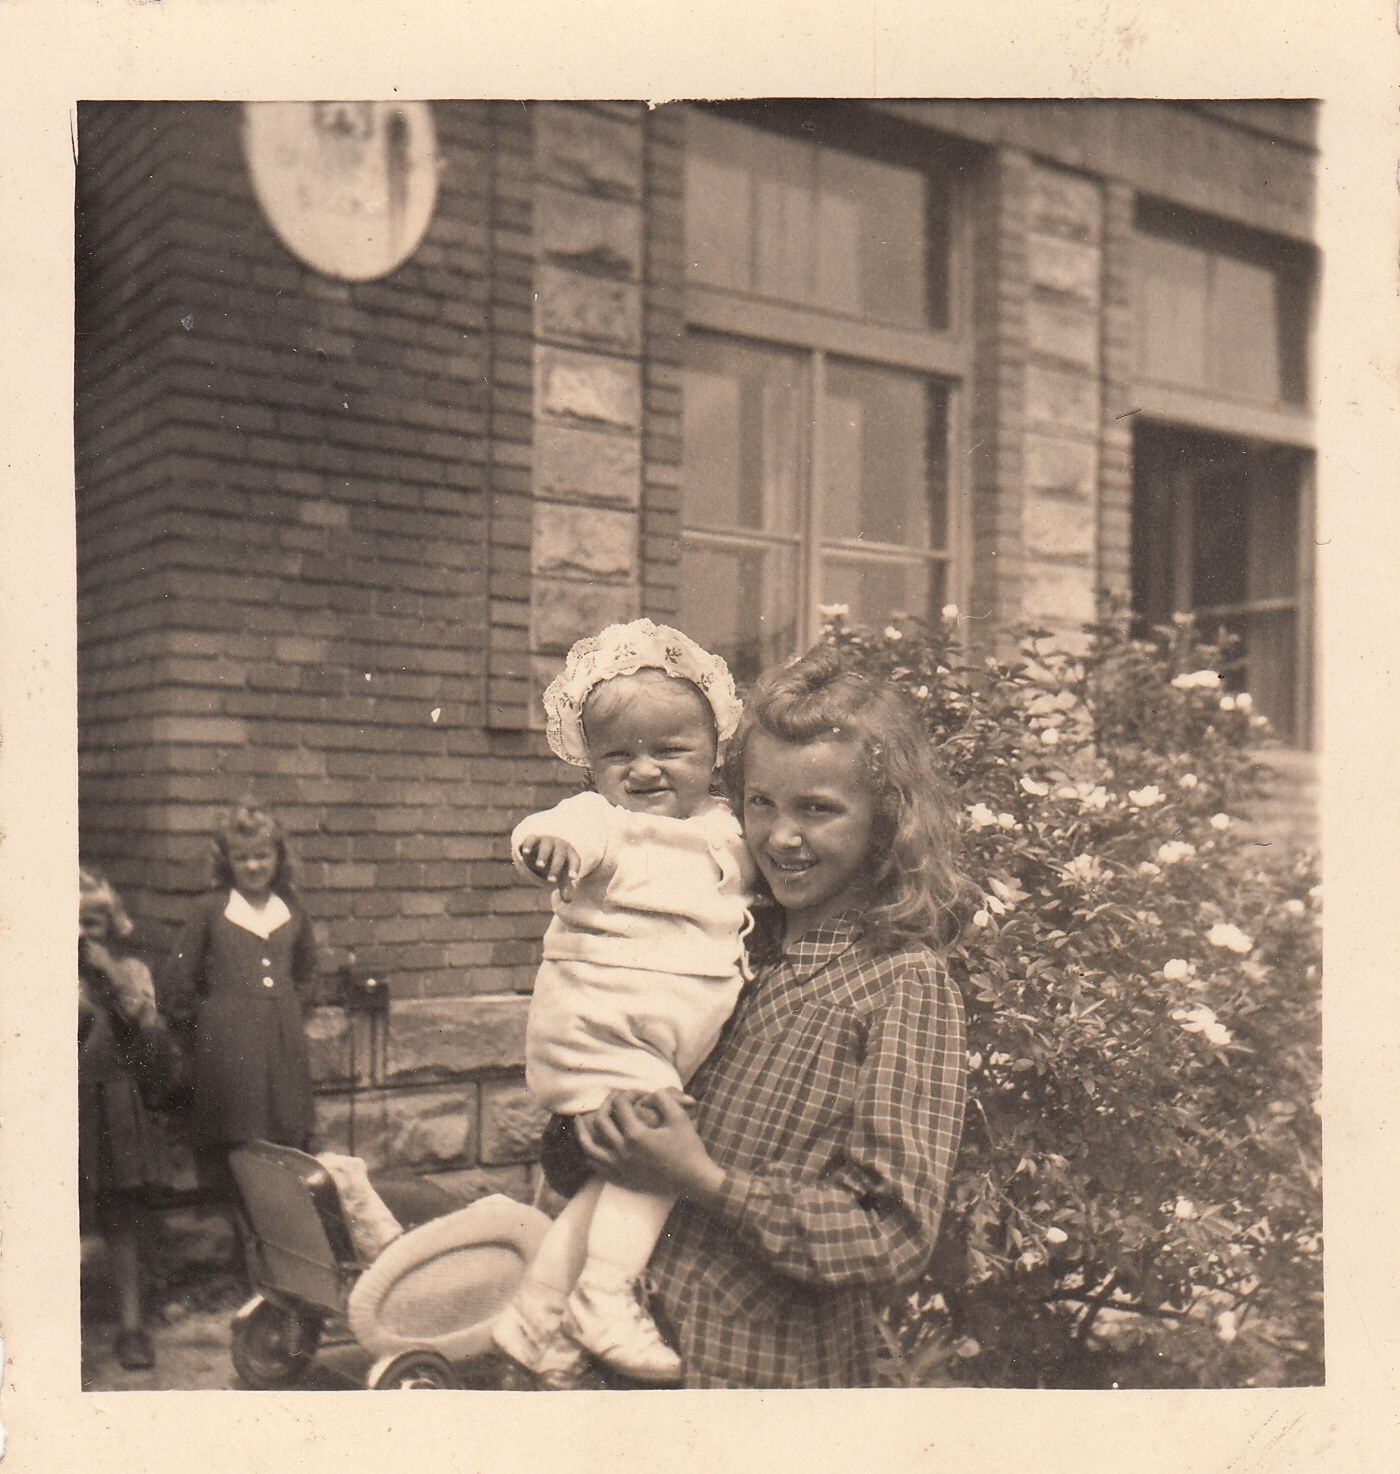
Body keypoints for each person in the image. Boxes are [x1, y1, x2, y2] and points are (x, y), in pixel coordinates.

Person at [576, 644, 969, 1388]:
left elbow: (890, 1234)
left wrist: (706, 1181)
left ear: (886, 822)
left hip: (759, 1377)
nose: (781, 837)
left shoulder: (902, 984)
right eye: (761, 803)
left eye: (817, 809)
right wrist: (594, 1130)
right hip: (630, 1352)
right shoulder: (727, 940)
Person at [491, 619, 753, 1387]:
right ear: (591, 766)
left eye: (669, 750)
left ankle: (533, 1316)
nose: (643, 770)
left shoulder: (724, 829)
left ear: (713, 752)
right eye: (617, 756)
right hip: (602, 1029)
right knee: (658, 1160)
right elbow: (553, 828)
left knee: (615, 1182)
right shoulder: (605, 824)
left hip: (650, 1042)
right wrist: (549, 848)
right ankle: (605, 1298)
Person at [159, 803, 319, 1202]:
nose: (253, 866)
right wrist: (209, 1024)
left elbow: (308, 972)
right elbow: (178, 982)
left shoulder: (292, 910)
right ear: (227, 862)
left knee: (285, 1135)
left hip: (282, 1045)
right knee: (236, 1138)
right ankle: (237, 1225)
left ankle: (277, 1225)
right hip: (227, 1048)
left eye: (262, 856)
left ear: (278, 858)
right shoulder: (211, 911)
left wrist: (286, 1008)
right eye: (242, 857)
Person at [78, 865, 179, 1371]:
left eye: (91, 925)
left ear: (112, 925)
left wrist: (110, 974)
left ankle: (131, 1325)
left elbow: (146, 1026)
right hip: (63, 1104)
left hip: (114, 1103)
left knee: (121, 1213)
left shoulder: (131, 971)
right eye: (71, 924)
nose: (81, 937)